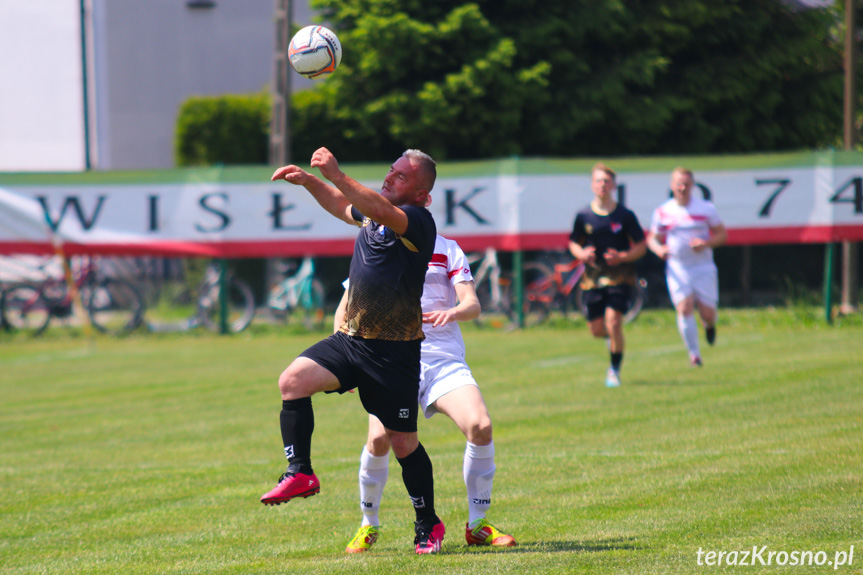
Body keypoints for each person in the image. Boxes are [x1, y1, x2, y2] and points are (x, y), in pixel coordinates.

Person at [262, 147, 445, 555]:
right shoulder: (374, 216)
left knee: (402, 444)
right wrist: (312, 182)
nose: (390, 177)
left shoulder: (418, 222)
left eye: (401, 177)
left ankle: (426, 522)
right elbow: (346, 206)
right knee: (292, 381)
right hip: (351, 340)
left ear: (421, 195)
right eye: (391, 171)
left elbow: (373, 204)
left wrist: (337, 174)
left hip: (394, 354)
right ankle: (301, 472)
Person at [336, 232, 517, 553]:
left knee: (481, 425)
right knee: (378, 440)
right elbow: (346, 309)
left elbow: (472, 304)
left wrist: (454, 312)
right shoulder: (375, 248)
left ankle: (477, 524)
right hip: (389, 360)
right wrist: (345, 359)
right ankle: (368, 524)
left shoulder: (446, 248)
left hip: (442, 360)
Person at [568, 163, 646, 387]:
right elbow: (573, 242)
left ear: (613, 185)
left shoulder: (625, 215)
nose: (602, 185)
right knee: (596, 330)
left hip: (620, 277)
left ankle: (614, 370)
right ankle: (612, 342)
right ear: (592, 185)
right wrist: (582, 253)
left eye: (606, 181)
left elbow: (641, 246)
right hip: (592, 279)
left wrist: (622, 256)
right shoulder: (583, 216)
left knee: (613, 322)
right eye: (598, 181)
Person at [646, 167, 727, 367]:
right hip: (678, 268)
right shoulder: (663, 211)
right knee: (684, 308)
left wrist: (705, 243)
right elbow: (652, 238)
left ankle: (709, 325)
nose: (682, 188)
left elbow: (721, 235)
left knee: (707, 313)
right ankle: (694, 355)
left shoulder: (705, 208)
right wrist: (659, 250)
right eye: (678, 184)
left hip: (703, 268)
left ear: (692, 186)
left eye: (686, 184)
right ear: (672, 186)